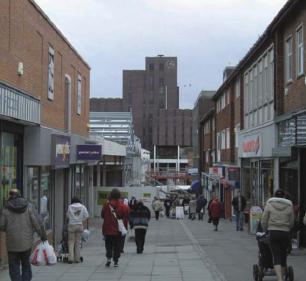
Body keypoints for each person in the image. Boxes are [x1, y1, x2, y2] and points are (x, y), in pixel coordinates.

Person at [0, 189, 47, 281]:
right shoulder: (28, 206)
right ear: (20, 195)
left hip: (12, 243)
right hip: (26, 242)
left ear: (10, 196)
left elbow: (2, 226)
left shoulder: (6, 209)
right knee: (26, 264)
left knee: (14, 267)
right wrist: (42, 235)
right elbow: (37, 223)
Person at [261, 190, 294, 281]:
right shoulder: (289, 206)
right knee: (283, 255)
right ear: (283, 197)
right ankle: (282, 277)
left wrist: (265, 229)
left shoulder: (269, 205)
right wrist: (287, 228)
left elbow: (264, 220)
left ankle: (280, 279)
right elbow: (291, 222)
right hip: (285, 233)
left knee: (276, 256)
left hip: (273, 232)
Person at [101, 188, 124, 267]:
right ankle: (116, 261)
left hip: (107, 228)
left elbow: (102, 215)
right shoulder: (121, 205)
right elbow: (123, 215)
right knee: (117, 245)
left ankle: (108, 259)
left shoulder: (106, 204)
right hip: (117, 229)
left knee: (108, 245)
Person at [67, 196, 89, 263]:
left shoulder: (70, 207)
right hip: (79, 225)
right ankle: (77, 259)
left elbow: (67, 215)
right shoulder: (82, 207)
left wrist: (72, 219)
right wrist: (81, 220)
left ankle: (70, 258)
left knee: (71, 242)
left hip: (72, 225)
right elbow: (87, 215)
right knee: (78, 242)